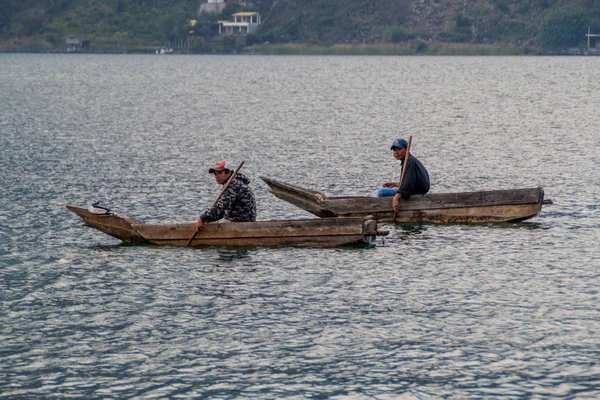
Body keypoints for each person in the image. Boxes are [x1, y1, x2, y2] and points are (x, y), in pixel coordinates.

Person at [195, 160, 256, 230]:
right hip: (240, 226)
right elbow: (221, 211)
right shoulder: (236, 182)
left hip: (241, 227)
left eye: (220, 173)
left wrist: (202, 218)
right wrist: (208, 218)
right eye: (215, 174)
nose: (217, 176)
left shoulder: (234, 185)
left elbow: (221, 209)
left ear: (229, 173)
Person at [378, 138, 430, 211]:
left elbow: (408, 183)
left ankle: (381, 211)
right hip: (416, 190)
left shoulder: (410, 162)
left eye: (399, 149)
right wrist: (395, 184)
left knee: (382, 192)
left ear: (406, 149)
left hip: (417, 193)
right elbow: (410, 181)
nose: (396, 152)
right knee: (391, 190)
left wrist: (396, 198)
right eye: (394, 150)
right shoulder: (409, 161)